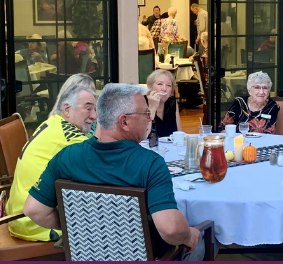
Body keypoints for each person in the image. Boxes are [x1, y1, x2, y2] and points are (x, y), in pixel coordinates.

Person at [23, 83, 204, 260]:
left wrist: (82, 226)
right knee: (202, 238)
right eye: (146, 113)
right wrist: (189, 235)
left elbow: (34, 210)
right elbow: (170, 229)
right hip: (149, 255)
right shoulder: (151, 164)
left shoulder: (67, 157)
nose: (150, 118)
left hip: (86, 256)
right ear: (124, 121)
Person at [5, 73, 97, 241]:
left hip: (17, 212)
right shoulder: (70, 136)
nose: (94, 115)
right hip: (33, 222)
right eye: (88, 108)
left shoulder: (53, 121)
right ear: (67, 109)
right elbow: (102, 158)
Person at [145, 69, 182, 137]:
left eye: (168, 85)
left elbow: (179, 133)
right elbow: (143, 137)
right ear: (150, 86)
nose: (164, 89)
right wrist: (152, 109)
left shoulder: (172, 102)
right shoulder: (141, 102)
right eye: (160, 84)